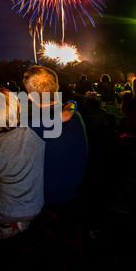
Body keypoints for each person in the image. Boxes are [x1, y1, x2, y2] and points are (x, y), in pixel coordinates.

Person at [0, 89, 46, 240]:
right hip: (36, 207)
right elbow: (62, 117)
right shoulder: (35, 129)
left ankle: (8, 227)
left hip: (5, 212)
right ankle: (21, 226)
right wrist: (71, 105)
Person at [23, 66, 88, 208]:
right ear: (57, 87)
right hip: (73, 194)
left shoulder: (31, 128)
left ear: (30, 96)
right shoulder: (75, 115)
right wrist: (72, 104)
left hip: (45, 201)